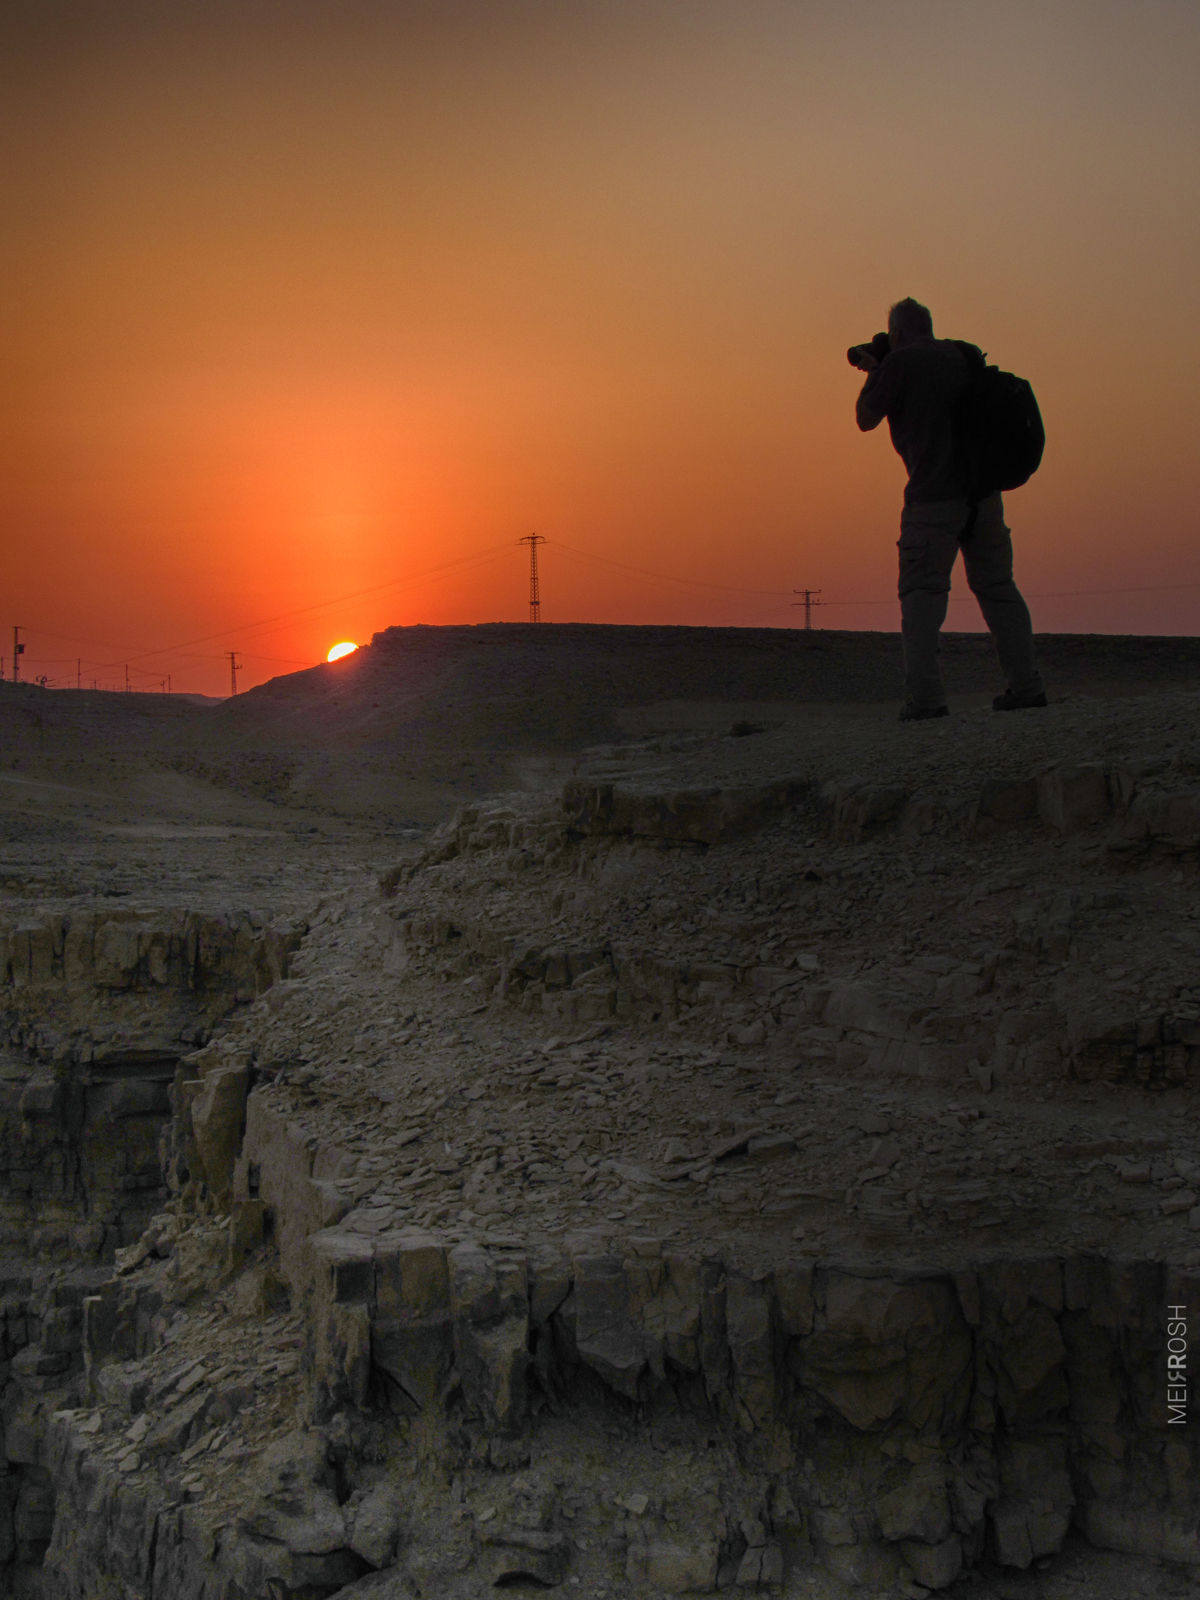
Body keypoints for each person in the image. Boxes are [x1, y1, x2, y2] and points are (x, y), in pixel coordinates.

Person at [853, 297, 1046, 721]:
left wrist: (874, 372)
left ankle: (925, 701)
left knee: (922, 595)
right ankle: (1026, 688)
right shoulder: (963, 354)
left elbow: (865, 418)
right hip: (982, 498)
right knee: (998, 588)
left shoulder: (899, 364)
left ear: (898, 334)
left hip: (932, 501)